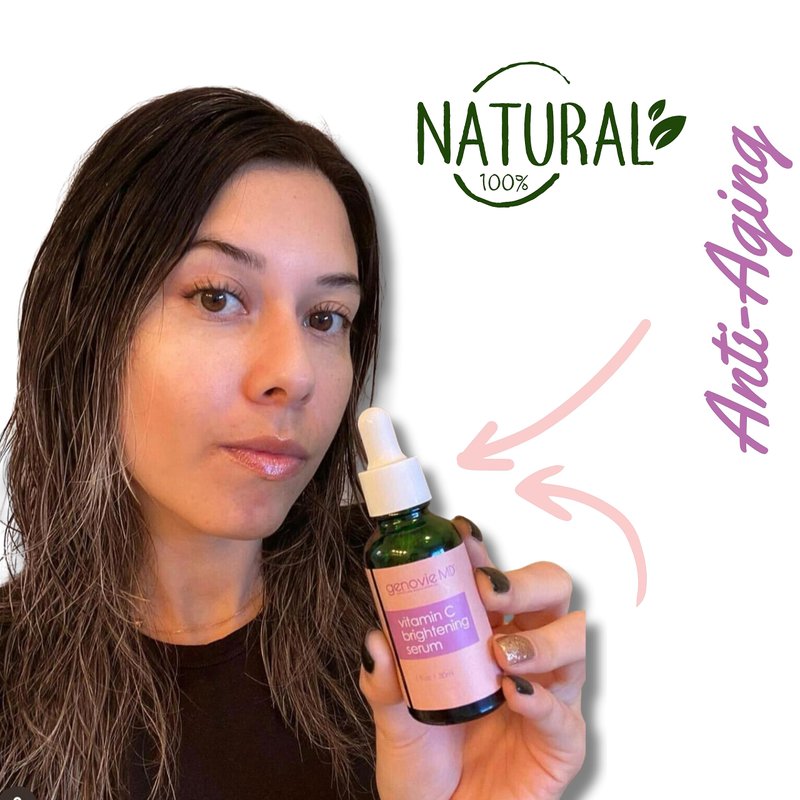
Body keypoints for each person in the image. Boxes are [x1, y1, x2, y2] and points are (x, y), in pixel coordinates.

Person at [0, 87, 586, 799]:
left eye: (326, 317)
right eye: (218, 297)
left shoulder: (417, 624)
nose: (295, 373)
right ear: (89, 324)